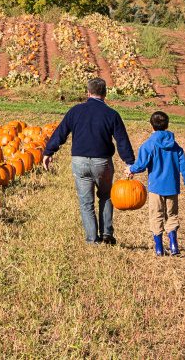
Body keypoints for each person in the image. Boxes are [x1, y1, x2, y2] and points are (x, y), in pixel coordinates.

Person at [42, 78, 135, 245]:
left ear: (88, 93)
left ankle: (92, 239)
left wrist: (49, 151)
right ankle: (106, 234)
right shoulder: (112, 114)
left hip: (79, 161)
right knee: (106, 197)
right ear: (105, 94)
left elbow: (60, 132)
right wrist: (129, 162)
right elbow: (122, 140)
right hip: (102, 162)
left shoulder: (75, 111)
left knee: (86, 202)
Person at [126, 111, 185, 256]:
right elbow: (184, 165)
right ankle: (174, 245)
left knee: (156, 214)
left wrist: (131, 169)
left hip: (155, 187)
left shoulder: (148, 145)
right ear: (167, 125)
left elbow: (141, 165)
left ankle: (158, 248)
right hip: (172, 187)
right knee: (172, 214)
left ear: (151, 126)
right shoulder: (175, 146)